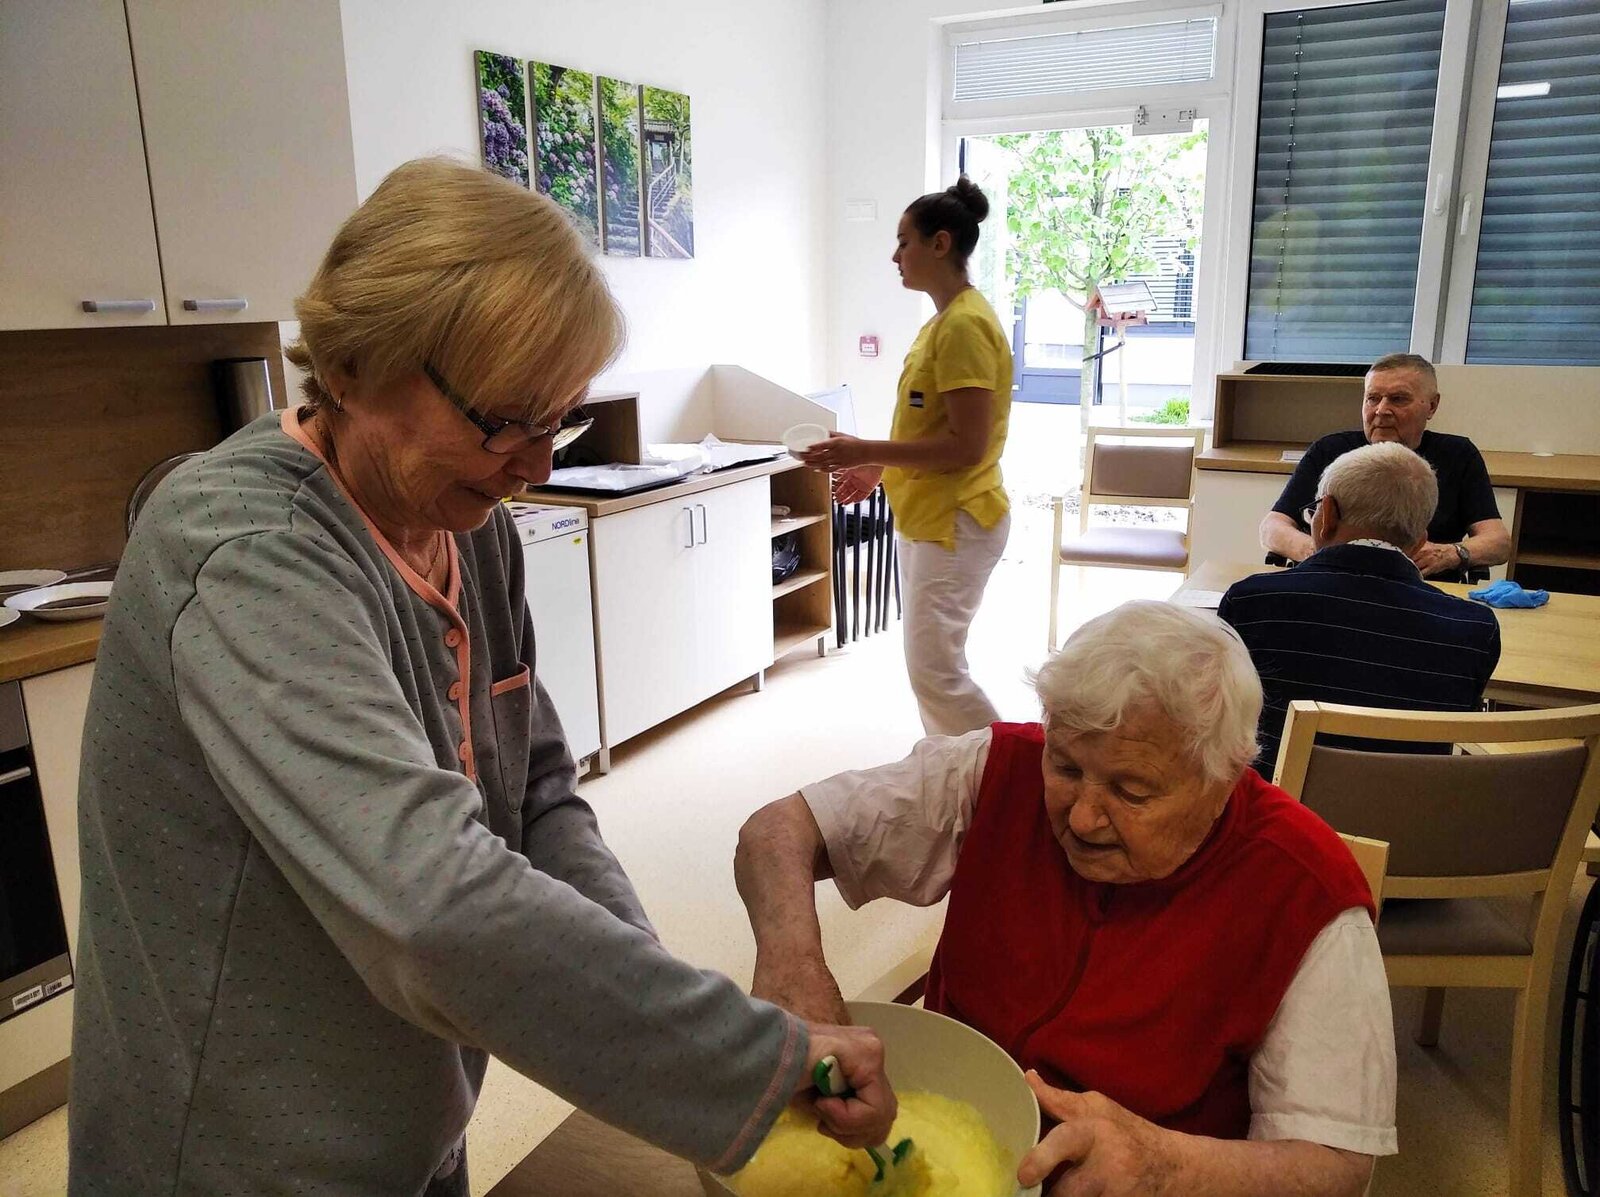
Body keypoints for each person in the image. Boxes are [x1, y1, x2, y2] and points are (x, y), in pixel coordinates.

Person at [67, 159, 895, 1197]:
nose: (537, 464)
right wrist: (747, 1066)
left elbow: (537, 798)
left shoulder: (471, 526)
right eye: (506, 419)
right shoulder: (245, 553)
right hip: (243, 1155)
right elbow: (430, 905)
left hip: (412, 1108)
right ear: (357, 365)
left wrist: (648, 990)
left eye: (561, 420)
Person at [736, 601, 1396, 1197]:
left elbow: (1338, 1168)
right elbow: (777, 831)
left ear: (1225, 778)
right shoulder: (996, 769)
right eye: (1068, 766)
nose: (1081, 817)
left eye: (1131, 790)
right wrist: (794, 964)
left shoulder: (1307, 892)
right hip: (948, 1130)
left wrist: (1166, 1165)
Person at [800, 177, 1012, 737]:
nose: (895, 256)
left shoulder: (964, 326)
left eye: (903, 242)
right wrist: (878, 465)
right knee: (930, 671)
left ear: (940, 244)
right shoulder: (941, 324)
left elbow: (967, 446)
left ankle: (1007, 771)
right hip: (928, 517)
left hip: (956, 519)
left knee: (936, 672)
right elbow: (929, 427)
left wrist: (864, 448)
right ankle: (955, 773)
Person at [1223, 442, 1501, 775]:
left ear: (1326, 516)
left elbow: (1218, 727)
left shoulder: (1251, 603)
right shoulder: (1475, 630)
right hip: (1409, 805)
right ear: (1419, 540)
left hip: (1273, 803)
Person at [1259, 352, 1511, 581]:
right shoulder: (1330, 449)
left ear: (1432, 406)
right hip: (1329, 581)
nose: (1381, 410)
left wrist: (1450, 554)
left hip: (1422, 589)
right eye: (1372, 398)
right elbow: (1272, 527)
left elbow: (1498, 542)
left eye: (1398, 399)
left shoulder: (1458, 454)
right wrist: (1318, 552)